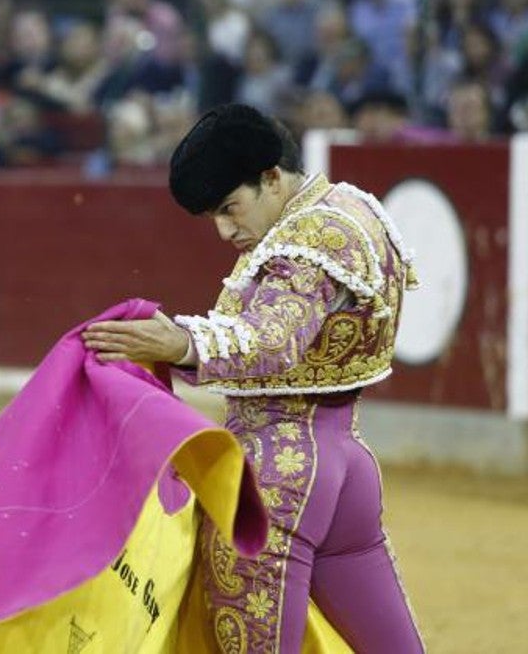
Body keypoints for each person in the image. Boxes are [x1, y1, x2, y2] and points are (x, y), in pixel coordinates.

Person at [81, 104, 425, 653]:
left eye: (230, 208)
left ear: (271, 178)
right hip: (345, 466)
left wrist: (182, 342)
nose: (225, 230)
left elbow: (271, 340)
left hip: (275, 477)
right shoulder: (350, 205)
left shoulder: (309, 238)